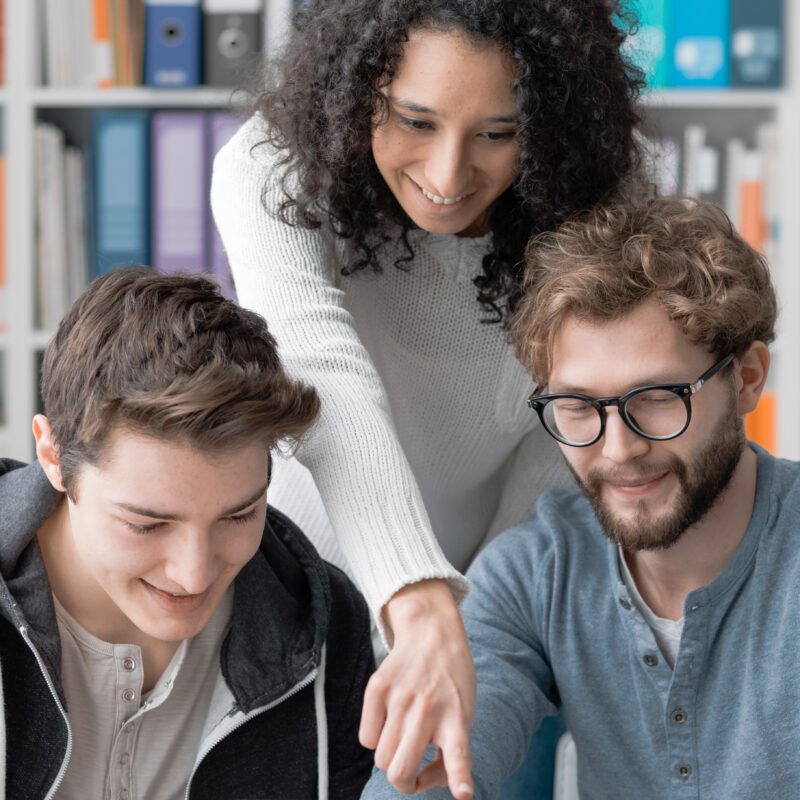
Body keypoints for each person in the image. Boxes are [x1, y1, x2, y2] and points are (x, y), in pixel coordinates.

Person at [210, 2, 643, 794]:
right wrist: (415, 597)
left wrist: (475, 623)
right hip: (283, 594)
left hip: (497, 606)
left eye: (498, 133)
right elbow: (317, 368)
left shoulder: (597, 205)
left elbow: (568, 429)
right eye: (415, 119)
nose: (448, 177)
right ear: (356, 85)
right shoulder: (271, 167)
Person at [361, 195, 795, 799]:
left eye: (657, 397)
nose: (617, 450)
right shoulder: (539, 569)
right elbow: (437, 760)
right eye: (578, 405)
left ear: (746, 379)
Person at [0, 268, 375, 799]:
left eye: (238, 515)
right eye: (147, 524)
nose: (193, 574)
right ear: (53, 456)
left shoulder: (328, 627)